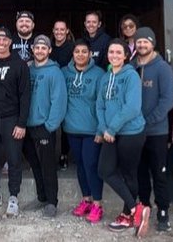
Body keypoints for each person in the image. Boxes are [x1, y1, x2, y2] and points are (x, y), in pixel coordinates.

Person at [96, 39, 146, 233]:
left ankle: (128, 215)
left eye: (118, 52)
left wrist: (112, 129)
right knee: (104, 170)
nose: (114, 55)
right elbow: (99, 105)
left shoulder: (131, 76)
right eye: (111, 52)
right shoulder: (105, 77)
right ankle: (136, 209)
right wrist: (103, 129)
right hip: (110, 132)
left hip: (131, 133)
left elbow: (132, 108)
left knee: (128, 175)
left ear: (126, 55)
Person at [0, 26, 30, 219]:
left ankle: (13, 197)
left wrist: (22, 123)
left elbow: (25, 96)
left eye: (4, 40)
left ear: (10, 42)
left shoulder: (19, 65)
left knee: (14, 159)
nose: (1, 43)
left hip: (11, 119)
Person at [132, 27, 173, 234]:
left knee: (159, 173)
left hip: (156, 132)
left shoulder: (162, 68)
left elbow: (167, 101)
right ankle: (144, 208)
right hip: (135, 132)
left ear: (153, 43)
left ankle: (163, 212)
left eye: (145, 42)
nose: (142, 45)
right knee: (140, 173)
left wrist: (148, 121)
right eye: (139, 42)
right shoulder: (131, 66)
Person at [61, 38, 105, 223]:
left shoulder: (99, 74)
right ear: (73, 54)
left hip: (92, 129)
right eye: (77, 51)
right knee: (79, 165)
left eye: (84, 52)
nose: (80, 55)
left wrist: (101, 129)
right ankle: (86, 200)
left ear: (90, 54)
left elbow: (103, 103)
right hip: (72, 128)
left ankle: (97, 203)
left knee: (91, 165)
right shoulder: (64, 72)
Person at [23, 34, 67, 218]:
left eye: (44, 48)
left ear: (49, 50)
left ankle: (51, 202)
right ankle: (41, 197)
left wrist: (50, 126)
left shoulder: (54, 72)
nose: (40, 51)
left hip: (44, 126)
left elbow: (59, 101)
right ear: (32, 49)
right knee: (34, 164)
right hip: (26, 126)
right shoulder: (27, 69)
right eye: (37, 47)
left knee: (48, 165)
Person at [50, 18, 75, 169]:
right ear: (53, 31)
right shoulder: (49, 47)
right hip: (51, 89)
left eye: (62, 29)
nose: (59, 32)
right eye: (56, 29)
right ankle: (50, 154)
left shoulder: (72, 48)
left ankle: (64, 154)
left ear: (67, 31)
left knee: (66, 124)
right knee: (52, 122)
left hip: (67, 87)